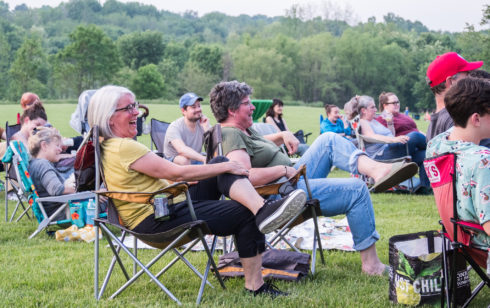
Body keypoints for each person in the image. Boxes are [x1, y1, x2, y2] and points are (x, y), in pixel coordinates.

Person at [87, 85, 308, 297]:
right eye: (128, 108)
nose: (136, 112)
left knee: (221, 162)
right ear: (109, 117)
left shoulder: (109, 145)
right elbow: (176, 173)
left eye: (135, 106)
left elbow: (157, 179)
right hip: (157, 220)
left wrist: (217, 167)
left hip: (163, 206)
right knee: (242, 208)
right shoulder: (124, 147)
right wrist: (224, 167)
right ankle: (255, 285)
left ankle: (262, 210)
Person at [209, 80, 419, 276]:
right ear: (232, 110)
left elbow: (259, 143)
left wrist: (282, 135)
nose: (253, 107)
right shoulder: (231, 135)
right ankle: (371, 265)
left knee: (328, 140)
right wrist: (282, 169)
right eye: (247, 104)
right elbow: (246, 177)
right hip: (281, 194)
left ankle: (376, 170)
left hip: (291, 179)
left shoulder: (243, 130)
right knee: (356, 189)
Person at [426, 77, 490, 250]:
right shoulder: (483, 160)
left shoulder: (436, 145)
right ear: (476, 119)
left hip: (458, 236)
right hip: (483, 243)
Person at [351, 95, 430, 191]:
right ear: (363, 110)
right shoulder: (363, 122)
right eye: (372, 107)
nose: (376, 109)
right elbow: (371, 136)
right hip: (380, 155)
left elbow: (390, 135)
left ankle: (424, 188)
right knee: (414, 136)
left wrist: (390, 124)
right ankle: (434, 146)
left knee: (425, 155)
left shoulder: (374, 121)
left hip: (390, 150)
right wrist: (394, 140)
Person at [425, 52, 483, 142]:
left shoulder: (435, 121)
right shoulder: (456, 119)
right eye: (467, 76)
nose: (471, 80)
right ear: (451, 82)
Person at [27, 127, 76, 219]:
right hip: (63, 212)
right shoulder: (43, 164)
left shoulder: (34, 164)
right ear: (44, 145)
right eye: (57, 145)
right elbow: (57, 189)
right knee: (102, 199)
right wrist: (83, 191)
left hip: (54, 210)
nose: (60, 150)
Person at [163, 92, 210, 165]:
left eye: (199, 106)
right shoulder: (175, 127)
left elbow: (215, 146)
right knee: (184, 160)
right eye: (193, 107)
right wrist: (203, 158)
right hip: (173, 164)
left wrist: (206, 128)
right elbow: (182, 149)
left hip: (195, 161)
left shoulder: (202, 124)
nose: (198, 109)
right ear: (183, 111)